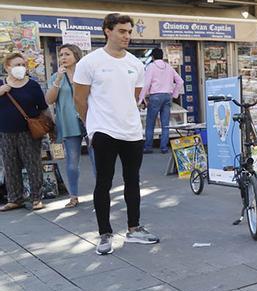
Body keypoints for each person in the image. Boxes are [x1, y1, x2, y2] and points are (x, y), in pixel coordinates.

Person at [74, 13, 159, 256]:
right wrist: (92, 125)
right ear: (107, 31)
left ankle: (134, 228)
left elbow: (134, 97)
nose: (127, 36)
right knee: (104, 181)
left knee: (133, 180)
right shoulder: (89, 63)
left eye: (129, 32)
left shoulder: (136, 64)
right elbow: (79, 99)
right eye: (122, 31)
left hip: (132, 130)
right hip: (103, 130)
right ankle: (104, 234)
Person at [46, 44, 95, 208]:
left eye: (67, 54)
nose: (63, 57)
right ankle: (73, 196)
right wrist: (59, 79)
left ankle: (101, 193)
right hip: (68, 123)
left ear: (76, 55)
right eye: (61, 55)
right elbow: (49, 100)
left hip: (90, 121)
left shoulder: (87, 74)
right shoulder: (55, 76)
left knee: (97, 160)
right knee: (72, 162)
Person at [0, 53, 48, 211]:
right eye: (16, 65)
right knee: (10, 166)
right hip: (6, 133)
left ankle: (36, 198)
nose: (20, 68)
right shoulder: (1, 84)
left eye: (22, 64)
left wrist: (51, 126)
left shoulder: (32, 85)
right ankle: (15, 198)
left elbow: (43, 108)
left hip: (29, 133)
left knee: (33, 164)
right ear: (7, 67)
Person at [140, 48, 183, 154]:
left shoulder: (151, 67)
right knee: (165, 124)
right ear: (162, 56)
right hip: (167, 96)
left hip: (155, 96)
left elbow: (146, 84)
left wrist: (141, 98)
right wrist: (174, 94)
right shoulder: (169, 67)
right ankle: (164, 147)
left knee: (150, 123)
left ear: (152, 57)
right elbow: (180, 81)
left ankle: (148, 147)